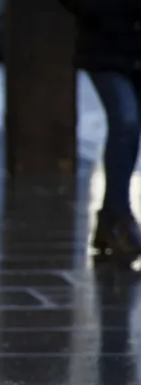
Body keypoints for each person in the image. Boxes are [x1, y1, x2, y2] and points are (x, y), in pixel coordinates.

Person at [58, 1, 141, 260]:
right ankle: (118, 215)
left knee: (130, 126)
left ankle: (111, 218)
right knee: (125, 121)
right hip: (106, 45)